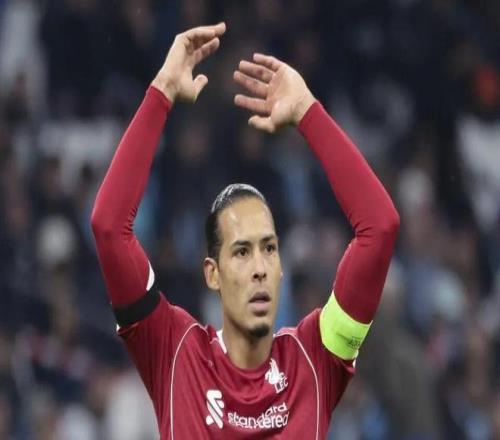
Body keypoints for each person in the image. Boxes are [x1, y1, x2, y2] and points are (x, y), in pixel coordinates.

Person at [91, 22, 400, 439]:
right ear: (212, 273)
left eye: (269, 249)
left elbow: (380, 227)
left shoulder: (316, 358)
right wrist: (162, 91)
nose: (259, 267)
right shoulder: (174, 351)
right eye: (241, 251)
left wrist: (308, 112)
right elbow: (109, 227)